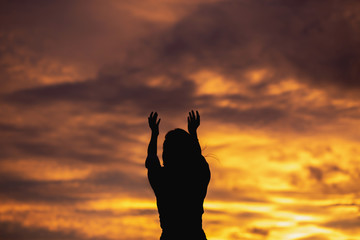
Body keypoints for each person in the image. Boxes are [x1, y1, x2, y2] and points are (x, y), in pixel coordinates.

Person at [146, 110, 211, 240]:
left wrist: (154, 134)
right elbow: (197, 160)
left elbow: (152, 159)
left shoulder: (162, 179)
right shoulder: (196, 178)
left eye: (166, 148)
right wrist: (193, 133)